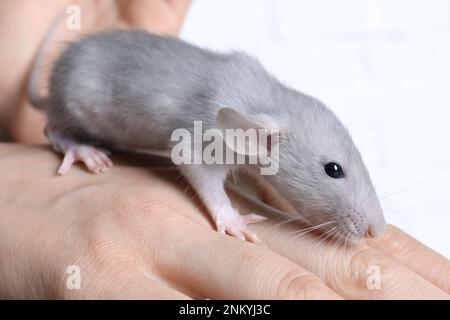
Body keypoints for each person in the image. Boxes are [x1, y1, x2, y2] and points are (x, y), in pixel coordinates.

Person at [0, 0, 448, 299]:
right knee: (75, 97)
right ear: (264, 135)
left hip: (117, 76)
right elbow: (193, 155)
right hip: (87, 76)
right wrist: (224, 213)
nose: (374, 226)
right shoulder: (228, 113)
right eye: (334, 171)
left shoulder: (261, 123)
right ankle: (63, 135)